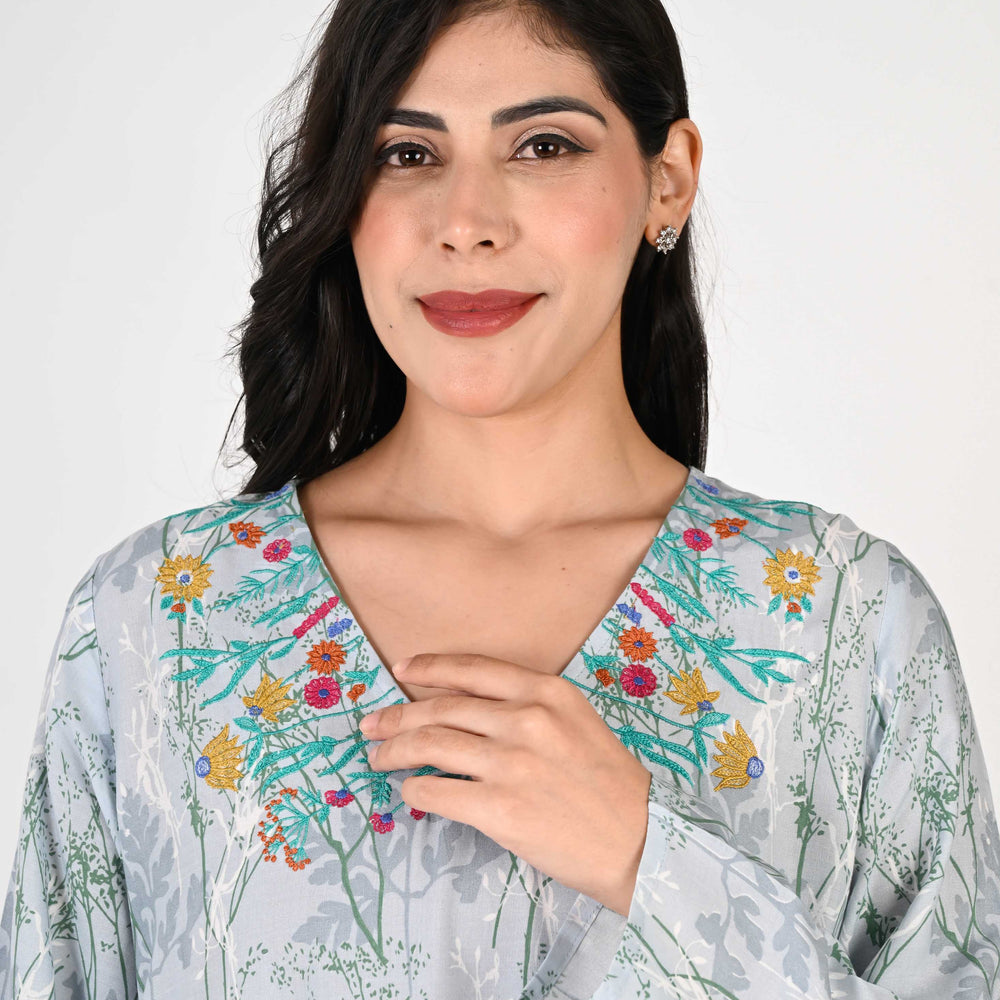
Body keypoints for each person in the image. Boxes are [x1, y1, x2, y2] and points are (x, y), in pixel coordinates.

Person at [3, 0, 999, 996]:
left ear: (667, 180)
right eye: (406, 154)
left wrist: (648, 859)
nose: (466, 224)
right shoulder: (159, 620)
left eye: (543, 145)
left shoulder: (845, 623)